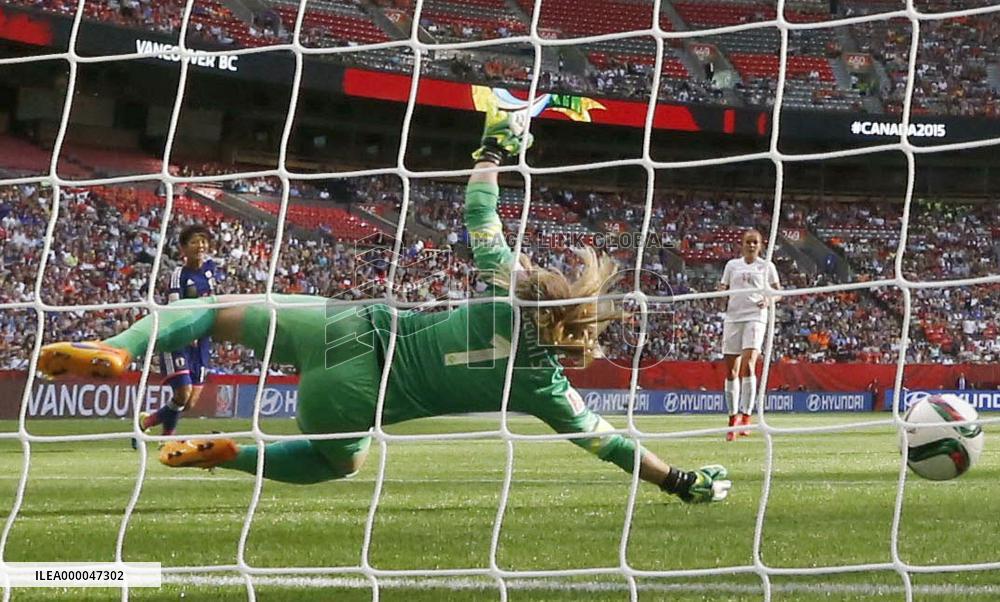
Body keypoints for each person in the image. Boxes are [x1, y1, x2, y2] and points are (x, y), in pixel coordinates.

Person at [37, 107, 731, 504]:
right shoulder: (547, 388)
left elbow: (479, 210)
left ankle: (119, 349)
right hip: (350, 401)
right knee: (340, 463)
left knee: (215, 309)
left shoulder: (509, 284)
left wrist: (497, 147)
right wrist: (679, 481)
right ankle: (231, 453)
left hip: (348, 325)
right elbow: (611, 447)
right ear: (579, 335)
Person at [132, 224, 221, 447]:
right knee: (182, 393)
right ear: (183, 248)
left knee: (189, 402)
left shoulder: (210, 270)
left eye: (203, 241)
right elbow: (174, 307)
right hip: (180, 339)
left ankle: (147, 422)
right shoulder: (179, 275)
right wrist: (186, 329)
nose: (200, 245)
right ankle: (165, 437)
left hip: (202, 341)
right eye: (194, 242)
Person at [719, 229, 780, 441]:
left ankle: (746, 416)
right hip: (732, 318)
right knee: (731, 371)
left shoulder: (766, 266)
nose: (752, 246)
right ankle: (732, 417)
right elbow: (723, 287)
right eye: (748, 242)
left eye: (755, 242)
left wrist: (769, 300)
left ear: (761, 245)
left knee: (749, 364)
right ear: (742, 244)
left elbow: (778, 291)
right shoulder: (732, 266)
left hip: (755, 316)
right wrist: (720, 294)